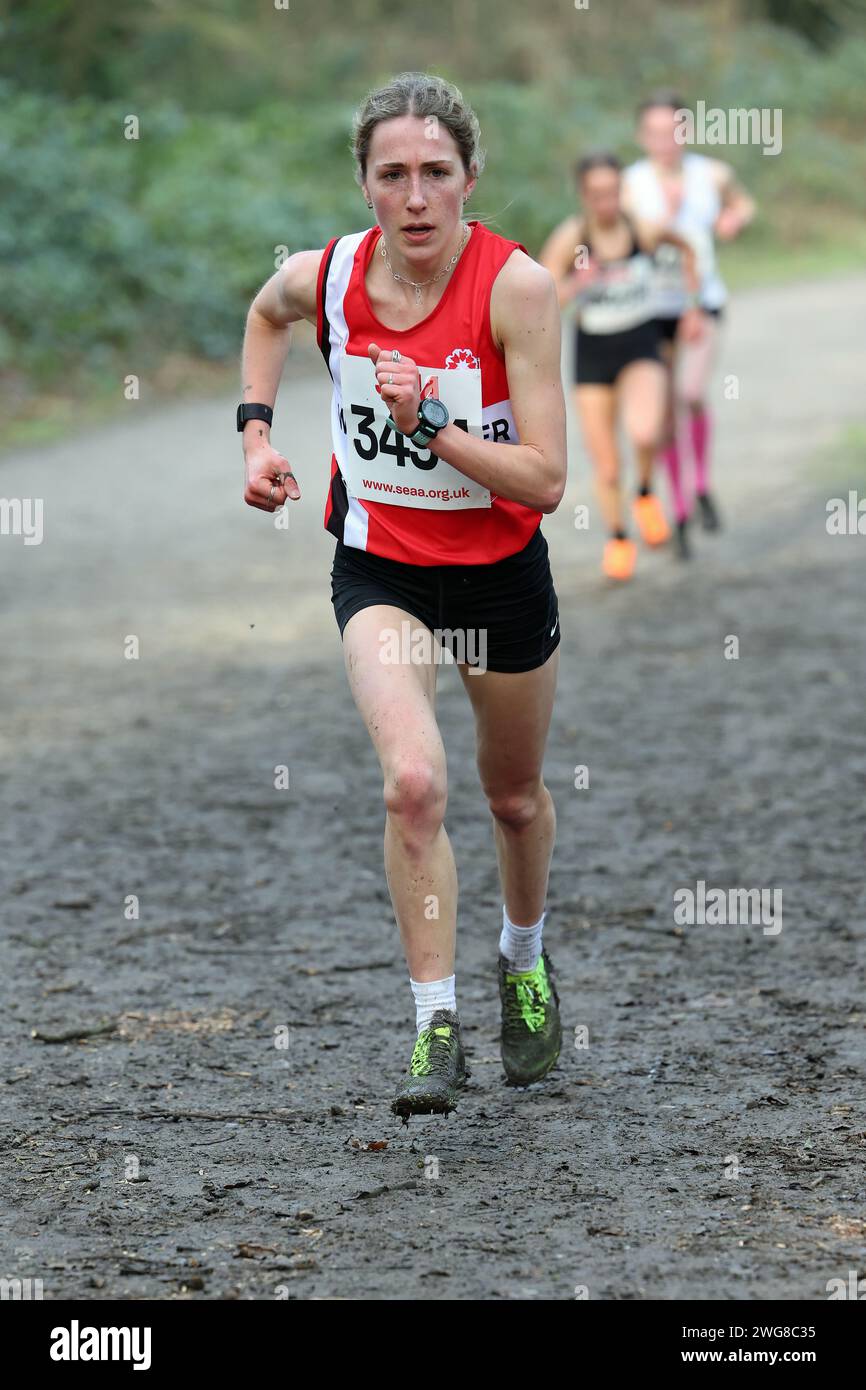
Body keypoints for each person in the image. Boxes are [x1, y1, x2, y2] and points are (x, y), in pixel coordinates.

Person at [239, 72, 567, 1118]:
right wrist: (253, 433)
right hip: (380, 569)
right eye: (393, 175)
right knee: (413, 785)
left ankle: (523, 958)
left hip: (499, 575)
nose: (416, 197)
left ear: (470, 176)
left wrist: (431, 428)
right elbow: (263, 309)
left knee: (510, 796)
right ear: (365, 185)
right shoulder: (329, 277)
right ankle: (434, 1020)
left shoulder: (515, 288)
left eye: (435, 172)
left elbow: (547, 482)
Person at [540, 153, 703, 581]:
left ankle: (646, 493)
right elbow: (540, 297)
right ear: (583, 196)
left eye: (613, 192)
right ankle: (618, 537)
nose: (606, 202)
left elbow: (686, 248)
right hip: (594, 353)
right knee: (608, 466)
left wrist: (692, 307)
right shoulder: (572, 238)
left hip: (641, 342)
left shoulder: (640, 228)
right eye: (597, 195)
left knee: (646, 431)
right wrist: (578, 283)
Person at [622, 91, 756, 557]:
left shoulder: (711, 173)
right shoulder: (629, 184)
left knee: (690, 393)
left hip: (704, 303)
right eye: (655, 133)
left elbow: (743, 204)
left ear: (687, 131)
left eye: (674, 130)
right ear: (642, 136)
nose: (665, 141)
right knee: (662, 414)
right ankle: (679, 511)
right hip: (651, 309)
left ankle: (701, 484)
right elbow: (619, 238)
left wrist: (734, 218)